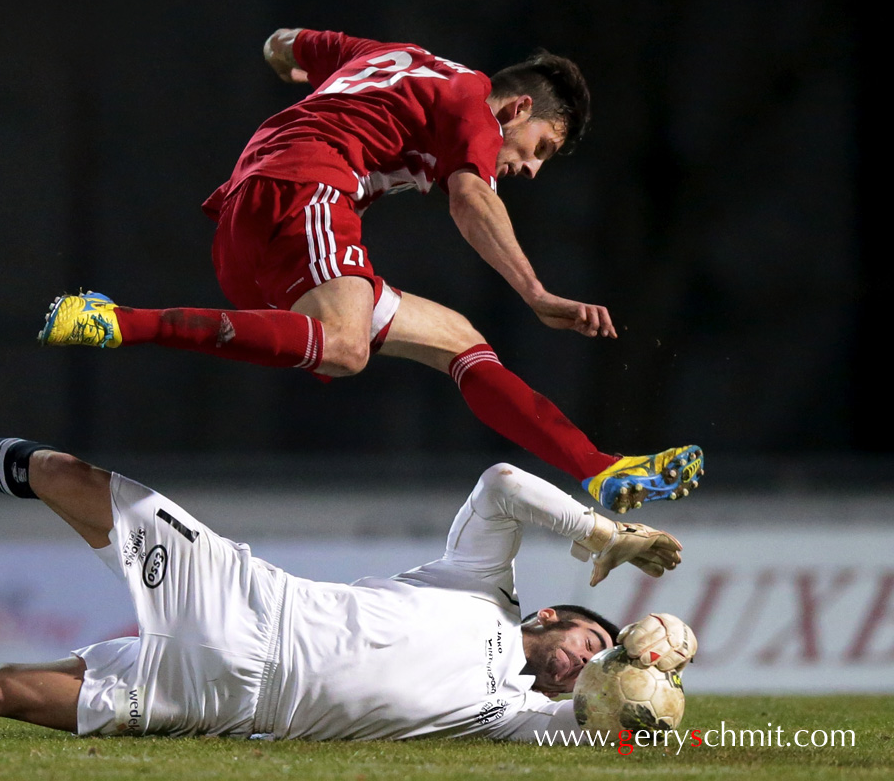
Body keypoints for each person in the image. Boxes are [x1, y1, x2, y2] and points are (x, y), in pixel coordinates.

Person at [0, 369, 695, 741]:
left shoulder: (511, 714)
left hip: (220, 703)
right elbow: (497, 484)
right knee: (74, 474)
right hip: (246, 599)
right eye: (592, 643)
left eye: (597, 667)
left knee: (4, 693)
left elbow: (610, 734)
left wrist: (649, 686)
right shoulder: (478, 587)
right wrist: (600, 532)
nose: (584, 668)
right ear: (558, 615)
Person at [35, 28, 704, 515]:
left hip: (252, 215)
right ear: (519, 109)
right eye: (541, 150)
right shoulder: (474, 102)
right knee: (348, 348)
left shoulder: (385, 56)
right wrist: (535, 292)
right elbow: (471, 199)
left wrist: (292, 65)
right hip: (307, 187)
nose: (530, 167)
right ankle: (116, 319)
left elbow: (282, 43)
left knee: (459, 341)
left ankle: (601, 470)